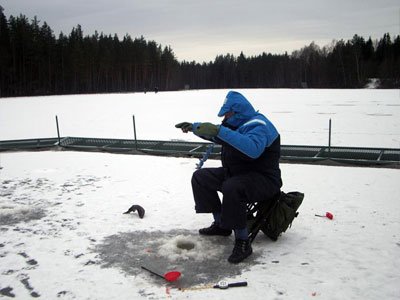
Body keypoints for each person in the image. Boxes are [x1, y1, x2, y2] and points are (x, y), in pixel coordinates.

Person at [175, 91, 282, 263]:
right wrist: (195, 128)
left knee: (232, 187)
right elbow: (221, 135)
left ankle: (242, 241)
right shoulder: (238, 123)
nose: (225, 117)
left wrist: (219, 130)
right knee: (201, 177)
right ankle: (221, 225)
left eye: (227, 113)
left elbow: (252, 149)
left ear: (236, 111)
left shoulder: (260, 125)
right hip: (238, 174)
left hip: (264, 179)